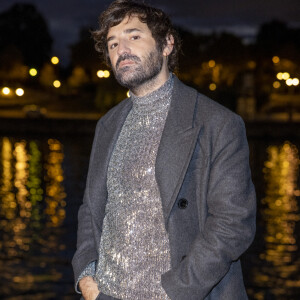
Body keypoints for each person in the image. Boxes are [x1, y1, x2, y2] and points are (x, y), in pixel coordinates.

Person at [72, 0, 256, 299]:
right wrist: (86, 277)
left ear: (167, 44)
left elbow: (233, 224)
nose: (122, 50)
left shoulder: (218, 123)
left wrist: (175, 291)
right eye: (113, 43)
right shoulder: (107, 124)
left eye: (134, 36)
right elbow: (91, 209)